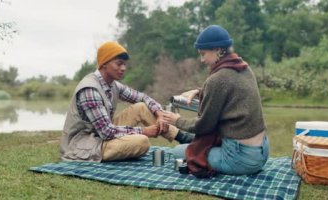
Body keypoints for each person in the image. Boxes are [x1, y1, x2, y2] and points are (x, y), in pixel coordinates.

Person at [162, 25, 269, 177]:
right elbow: (229, 93)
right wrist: (200, 92)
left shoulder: (217, 80)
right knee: (197, 145)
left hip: (241, 159)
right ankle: (188, 139)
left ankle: (185, 138)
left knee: (178, 152)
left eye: (203, 53)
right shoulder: (243, 68)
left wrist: (177, 120)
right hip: (262, 152)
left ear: (218, 50)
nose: (202, 59)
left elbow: (204, 125)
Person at [60, 41, 193, 162]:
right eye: (119, 64)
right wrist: (144, 131)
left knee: (141, 107)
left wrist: (158, 113)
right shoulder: (90, 90)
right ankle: (183, 139)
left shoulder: (113, 85)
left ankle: (184, 138)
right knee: (142, 142)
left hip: (100, 136)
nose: (123, 68)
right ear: (104, 63)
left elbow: (143, 98)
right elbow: (106, 132)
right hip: (83, 145)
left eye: (124, 64)